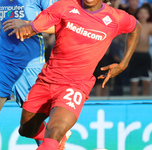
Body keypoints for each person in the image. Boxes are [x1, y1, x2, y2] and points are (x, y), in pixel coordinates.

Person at [14, 0, 141, 149]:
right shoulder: (65, 6)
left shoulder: (115, 18)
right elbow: (37, 25)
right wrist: (28, 28)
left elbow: (135, 27)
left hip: (75, 86)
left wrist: (123, 63)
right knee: (26, 130)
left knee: (54, 132)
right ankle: (57, 139)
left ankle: (55, 139)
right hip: (47, 80)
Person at [0, 0, 72, 150]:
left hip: (31, 64)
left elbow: (61, 25)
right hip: (3, 60)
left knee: (31, 124)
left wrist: (29, 25)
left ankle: (54, 137)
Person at [129, 5, 152, 95]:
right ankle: (133, 101)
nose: (143, 15)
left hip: (145, 56)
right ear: (137, 14)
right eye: (141, 13)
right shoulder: (133, 24)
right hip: (135, 56)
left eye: (145, 13)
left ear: (148, 15)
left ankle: (144, 102)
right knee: (134, 82)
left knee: (146, 82)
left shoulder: (150, 26)